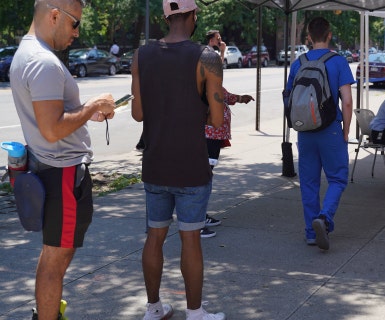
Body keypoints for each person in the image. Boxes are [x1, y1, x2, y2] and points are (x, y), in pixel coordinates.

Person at [9, 1, 117, 318]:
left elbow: (52, 119)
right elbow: (52, 129)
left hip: (53, 171)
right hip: (62, 174)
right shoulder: (42, 62)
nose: (77, 33)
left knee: (54, 253)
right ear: (55, 15)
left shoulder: (28, 54)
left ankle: (47, 312)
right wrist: (94, 103)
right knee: (55, 259)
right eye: (75, 24)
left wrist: (86, 115)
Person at [130, 0, 226, 319]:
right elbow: (215, 120)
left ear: (166, 17)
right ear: (194, 16)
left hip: (155, 163)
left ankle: (154, 308)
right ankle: (196, 313)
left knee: (154, 236)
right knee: (191, 240)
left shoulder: (141, 55)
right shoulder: (208, 58)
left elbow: (137, 113)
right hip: (191, 166)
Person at [285, 16, 354, 251]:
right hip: (330, 130)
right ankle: (324, 218)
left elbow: (289, 98)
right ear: (329, 35)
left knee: (309, 183)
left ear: (308, 38)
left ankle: (310, 233)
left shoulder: (298, 63)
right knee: (337, 177)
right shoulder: (338, 62)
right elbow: (346, 102)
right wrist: (345, 131)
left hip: (305, 130)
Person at [199, 29, 254, 238]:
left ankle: (200, 215)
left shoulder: (213, 83)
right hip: (209, 136)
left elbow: (225, 95)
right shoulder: (205, 82)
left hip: (215, 136)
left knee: (206, 177)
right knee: (203, 178)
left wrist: (241, 98)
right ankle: (197, 219)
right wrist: (220, 54)